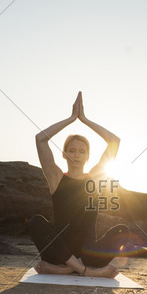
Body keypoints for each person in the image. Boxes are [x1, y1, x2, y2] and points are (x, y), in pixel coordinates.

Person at [29, 91, 130, 278]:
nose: (76, 155)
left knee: (123, 230)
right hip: (59, 251)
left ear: (87, 156)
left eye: (81, 151)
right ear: (64, 154)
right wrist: (70, 119)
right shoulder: (56, 177)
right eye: (72, 150)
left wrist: (84, 119)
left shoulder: (95, 178)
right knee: (36, 221)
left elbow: (114, 141)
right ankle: (83, 270)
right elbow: (40, 139)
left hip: (88, 252)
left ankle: (66, 269)